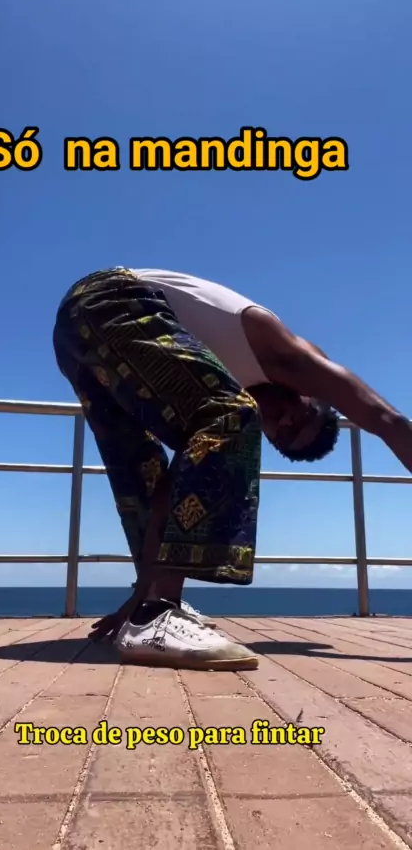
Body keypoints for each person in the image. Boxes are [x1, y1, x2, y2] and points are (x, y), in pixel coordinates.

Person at [53, 266, 412, 670]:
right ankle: (159, 612)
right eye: (300, 417)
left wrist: (142, 593)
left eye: (283, 435)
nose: (283, 423)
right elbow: (388, 420)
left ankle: (149, 611)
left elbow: (174, 487)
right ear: (310, 395)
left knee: (145, 472)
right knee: (233, 416)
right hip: (112, 299)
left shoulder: (216, 380)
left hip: (75, 338)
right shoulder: (288, 356)